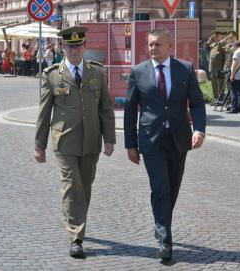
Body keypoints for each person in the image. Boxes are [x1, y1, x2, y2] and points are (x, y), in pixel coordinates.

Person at [124, 28, 206, 261]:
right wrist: (130, 144)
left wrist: (199, 129)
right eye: (150, 44)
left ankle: (161, 222)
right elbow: (130, 111)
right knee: (160, 187)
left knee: (173, 188)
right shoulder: (138, 72)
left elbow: (197, 103)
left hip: (179, 139)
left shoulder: (185, 70)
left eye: (158, 44)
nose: (153, 48)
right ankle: (164, 239)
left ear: (170, 46)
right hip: (151, 141)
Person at [34, 26, 116, 258]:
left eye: (78, 46)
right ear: (63, 48)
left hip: (91, 140)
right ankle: (76, 237)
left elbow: (106, 109)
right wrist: (39, 146)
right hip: (64, 141)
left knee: (85, 185)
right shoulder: (52, 75)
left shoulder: (96, 73)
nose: (74, 51)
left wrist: (109, 138)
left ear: (84, 47)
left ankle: (78, 221)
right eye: (70, 47)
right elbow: (44, 113)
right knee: (71, 186)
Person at [206, 31, 226, 100]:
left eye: (217, 36)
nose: (216, 38)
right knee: (213, 84)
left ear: (221, 36)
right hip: (212, 68)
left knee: (220, 84)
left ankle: (221, 99)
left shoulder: (223, 45)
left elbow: (225, 57)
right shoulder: (213, 44)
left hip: (219, 67)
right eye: (215, 36)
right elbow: (206, 47)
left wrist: (224, 67)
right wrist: (210, 39)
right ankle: (215, 99)